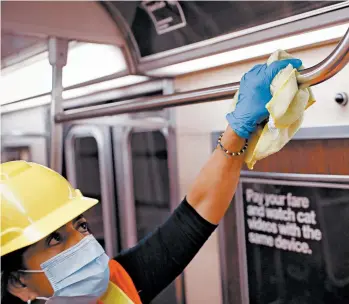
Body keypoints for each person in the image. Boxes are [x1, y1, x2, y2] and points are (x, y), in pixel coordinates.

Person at [0, 58, 302, 304]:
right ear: (18, 282)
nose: (84, 243)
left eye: (80, 225)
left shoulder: (116, 287)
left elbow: (194, 215)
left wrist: (238, 127)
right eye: (55, 238)